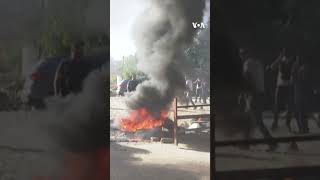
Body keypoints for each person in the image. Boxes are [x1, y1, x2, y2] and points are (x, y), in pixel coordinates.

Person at [241, 49, 277, 151]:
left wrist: (244, 93)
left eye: (242, 54)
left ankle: (271, 143)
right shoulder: (259, 63)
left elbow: (247, 78)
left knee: (257, 121)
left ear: (246, 54)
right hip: (260, 94)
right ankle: (246, 143)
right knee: (249, 118)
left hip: (253, 94)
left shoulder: (247, 63)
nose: (241, 56)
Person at [268, 48, 294, 131]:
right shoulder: (290, 60)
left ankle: (278, 123)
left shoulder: (285, 60)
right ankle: (284, 124)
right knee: (285, 106)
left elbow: (272, 67)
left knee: (279, 106)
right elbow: (273, 67)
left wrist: (280, 58)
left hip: (282, 85)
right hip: (285, 85)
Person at [291, 56, 310, 133]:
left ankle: (302, 129)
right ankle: (305, 128)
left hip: (299, 92)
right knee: (302, 112)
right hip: (303, 92)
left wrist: (294, 71)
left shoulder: (300, 69)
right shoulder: (305, 67)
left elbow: (294, 80)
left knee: (299, 112)